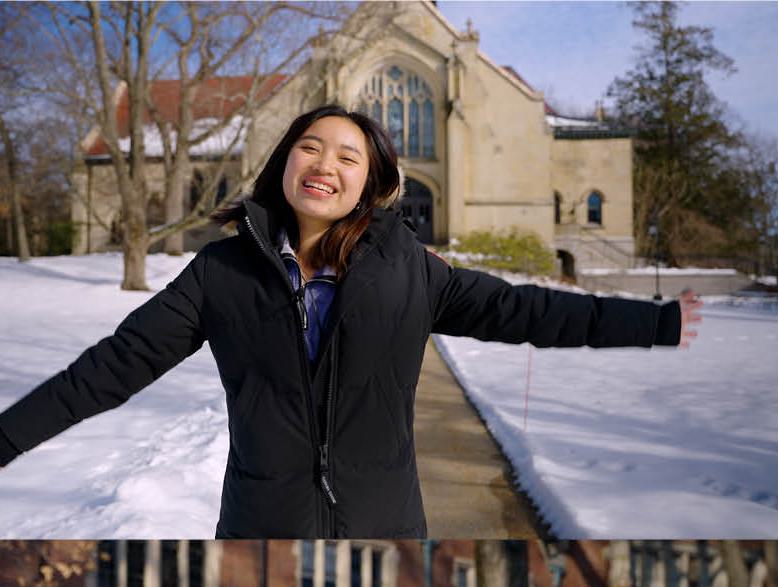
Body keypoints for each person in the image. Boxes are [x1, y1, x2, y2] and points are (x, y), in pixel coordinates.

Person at [0, 105, 702, 539]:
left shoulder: (409, 270)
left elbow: (531, 309)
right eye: (310, 146)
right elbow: (109, 368)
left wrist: (656, 323)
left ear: (371, 181)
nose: (324, 164)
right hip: (259, 527)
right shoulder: (222, 273)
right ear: (284, 163)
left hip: (385, 525)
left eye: (347, 155)